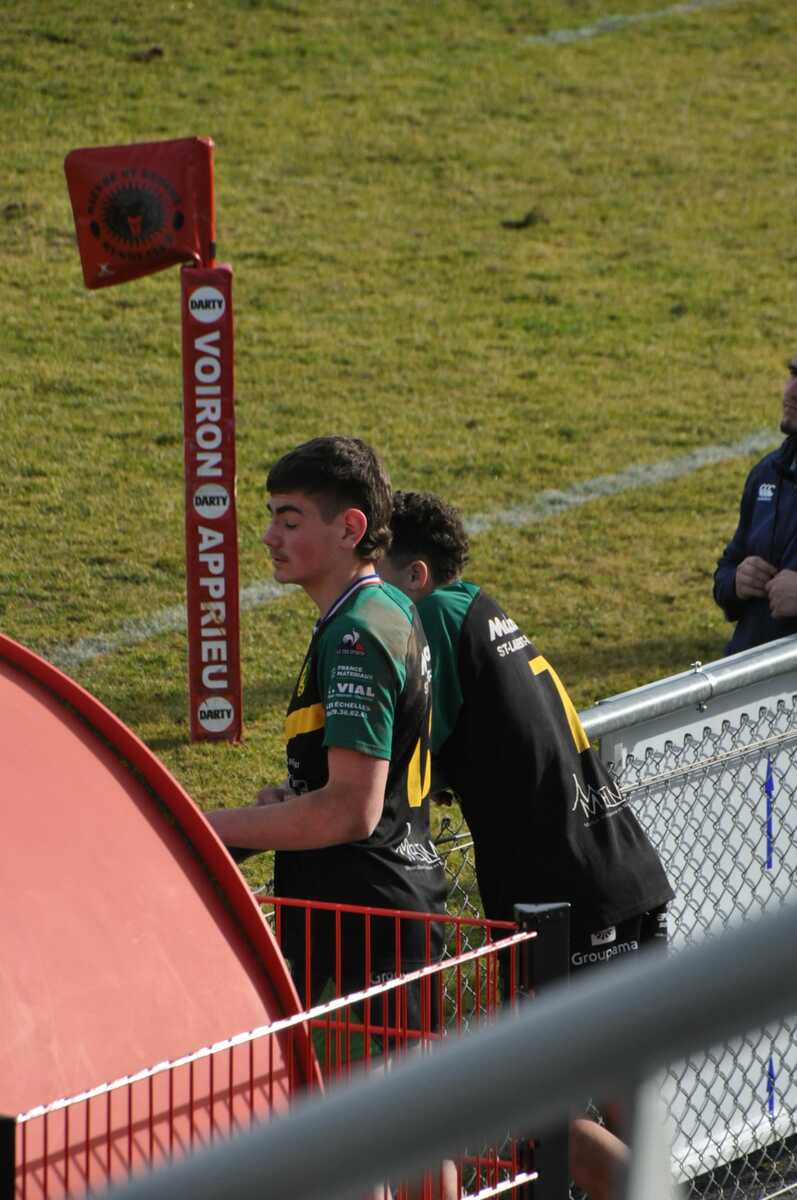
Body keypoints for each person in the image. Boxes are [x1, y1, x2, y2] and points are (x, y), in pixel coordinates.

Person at [380, 490, 674, 1200]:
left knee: (539, 1115)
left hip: (563, 896)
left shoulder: (432, 617)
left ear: (416, 575)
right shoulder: (481, 607)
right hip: (616, 870)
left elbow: (409, 750)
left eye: (377, 576)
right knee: (622, 1104)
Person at [206, 438, 447, 1028]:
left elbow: (350, 811)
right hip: (379, 912)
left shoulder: (355, 635)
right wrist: (293, 801)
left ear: (349, 529)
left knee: (371, 1096)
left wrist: (205, 830)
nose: (270, 537)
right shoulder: (383, 608)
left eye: (290, 521)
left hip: (365, 927)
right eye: (271, 517)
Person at [714, 353, 797, 654]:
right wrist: (737, 580)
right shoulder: (768, 473)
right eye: (793, 374)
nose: (791, 391)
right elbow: (725, 571)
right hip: (750, 671)